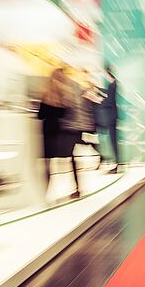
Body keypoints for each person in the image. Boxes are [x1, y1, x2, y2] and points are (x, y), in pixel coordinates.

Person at [38, 67, 80, 199]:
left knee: (48, 164)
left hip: (48, 132)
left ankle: (45, 194)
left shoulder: (45, 94)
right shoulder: (66, 96)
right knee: (69, 159)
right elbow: (69, 115)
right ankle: (76, 189)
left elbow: (40, 116)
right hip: (61, 133)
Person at [94, 64, 119, 173]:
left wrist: (99, 100)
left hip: (111, 117)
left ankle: (116, 165)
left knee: (113, 142)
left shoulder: (112, 85)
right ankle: (116, 163)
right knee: (113, 141)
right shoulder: (113, 84)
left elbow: (110, 101)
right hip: (113, 116)